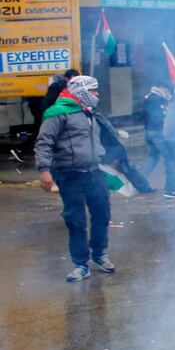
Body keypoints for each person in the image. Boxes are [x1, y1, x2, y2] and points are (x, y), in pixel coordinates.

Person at [35, 75, 114, 282]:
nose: (97, 95)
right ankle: (81, 264)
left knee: (102, 214)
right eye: (93, 91)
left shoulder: (89, 112)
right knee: (76, 220)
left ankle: (99, 254)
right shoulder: (57, 113)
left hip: (94, 172)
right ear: (81, 91)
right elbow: (44, 143)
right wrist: (44, 170)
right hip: (69, 175)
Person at [95, 112, 155, 193]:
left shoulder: (91, 115)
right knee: (126, 169)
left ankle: (143, 187)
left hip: (107, 147)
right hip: (107, 147)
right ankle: (143, 187)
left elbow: (108, 130)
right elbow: (108, 129)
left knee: (125, 168)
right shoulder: (94, 116)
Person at [143, 83, 172, 178]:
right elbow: (160, 117)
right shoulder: (156, 99)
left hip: (149, 131)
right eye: (167, 90)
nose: (167, 92)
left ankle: (141, 181)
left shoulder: (149, 97)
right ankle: (171, 185)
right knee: (170, 158)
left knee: (153, 158)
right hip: (157, 132)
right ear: (162, 87)